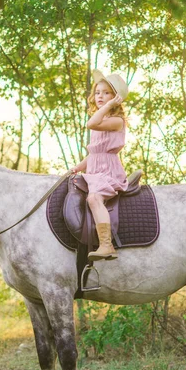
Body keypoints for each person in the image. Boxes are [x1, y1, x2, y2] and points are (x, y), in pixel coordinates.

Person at [70, 69, 129, 261]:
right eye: (97, 92)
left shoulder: (116, 121)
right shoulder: (102, 119)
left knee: (94, 199)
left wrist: (109, 106)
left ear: (115, 98)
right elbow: (95, 153)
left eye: (106, 93)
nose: (100, 96)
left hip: (108, 173)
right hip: (94, 170)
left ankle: (106, 244)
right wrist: (78, 167)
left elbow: (91, 124)